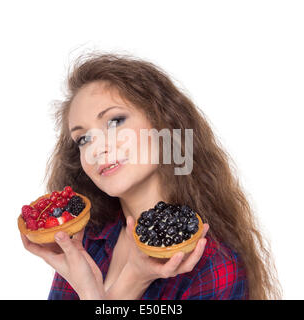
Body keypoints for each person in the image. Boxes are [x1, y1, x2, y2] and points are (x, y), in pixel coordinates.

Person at [20, 52, 281, 300]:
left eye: (114, 121)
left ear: (163, 124)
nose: (97, 148)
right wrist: (127, 283)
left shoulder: (212, 266)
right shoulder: (87, 239)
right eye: (83, 138)